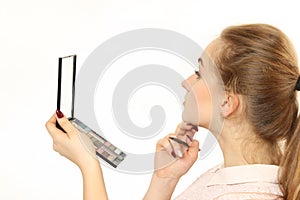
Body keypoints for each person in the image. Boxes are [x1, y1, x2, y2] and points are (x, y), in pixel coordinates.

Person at [46, 23, 300, 200]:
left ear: (227, 103)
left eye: (200, 74)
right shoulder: (234, 179)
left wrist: (89, 165)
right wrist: (164, 180)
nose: (187, 81)